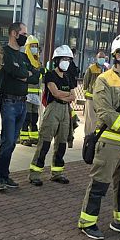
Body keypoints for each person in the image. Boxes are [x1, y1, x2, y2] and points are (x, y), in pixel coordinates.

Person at [78, 31, 120, 240]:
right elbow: (105, 112)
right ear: (118, 55)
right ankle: (87, 222)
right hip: (109, 142)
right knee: (100, 184)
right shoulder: (104, 80)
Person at [29, 45, 76, 186]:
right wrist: (66, 95)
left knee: (61, 144)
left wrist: (64, 95)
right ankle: (35, 174)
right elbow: (55, 93)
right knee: (44, 143)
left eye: (68, 59)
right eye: (64, 59)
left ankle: (57, 173)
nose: (66, 62)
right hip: (53, 109)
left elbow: (73, 96)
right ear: (56, 60)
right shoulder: (50, 75)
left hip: (65, 111)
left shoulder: (68, 77)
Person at [0, 22, 29, 191]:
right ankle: (0, 178)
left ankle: (5, 174)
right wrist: (24, 73)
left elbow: (32, 75)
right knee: (7, 141)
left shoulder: (23, 56)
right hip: (9, 102)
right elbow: (18, 72)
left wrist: (24, 73)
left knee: (13, 141)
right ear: (14, 33)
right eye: (24, 34)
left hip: (22, 102)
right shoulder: (4, 53)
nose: (25, 37)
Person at [19, 35, 44, 146]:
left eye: (36, 46)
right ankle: (24, 138)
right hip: (27, 94)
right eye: (32, 46)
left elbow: (40, 77)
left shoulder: (38, 62)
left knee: (34, 117)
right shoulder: (25, 60)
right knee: (27, 116)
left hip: (36, 94)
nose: (34, 49)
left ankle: (34, 137)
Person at [82, 50, 107, 138]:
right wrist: (85, 92)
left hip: (101, 98)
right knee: (90, 118)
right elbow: (86, 81)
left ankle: (95, 135)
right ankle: (88, 135)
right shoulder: (91, 68)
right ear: (97, 58)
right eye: (100, 57)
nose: (102, 59)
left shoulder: (106, 69)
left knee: (98, 119)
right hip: (91, 97)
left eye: (103, 57)